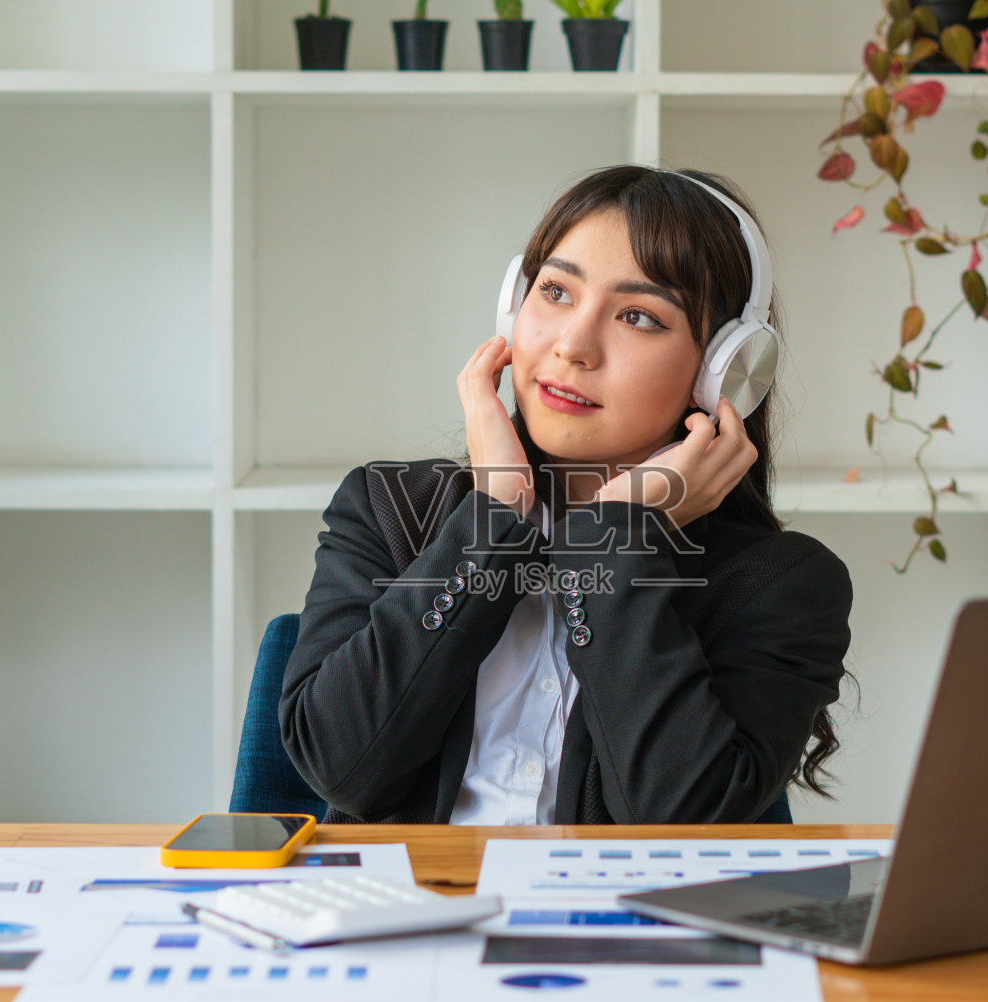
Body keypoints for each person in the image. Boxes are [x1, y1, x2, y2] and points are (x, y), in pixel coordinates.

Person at [279, 164, 854, 825]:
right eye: (555, 292)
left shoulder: (778, 583)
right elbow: (340, 766)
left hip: (627, 926)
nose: (574, 346)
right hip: (409, 917)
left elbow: (682, 824)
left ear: (724, 371)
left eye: (638, 315)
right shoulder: (387, 511)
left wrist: (613, 539)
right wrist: (495, 516)